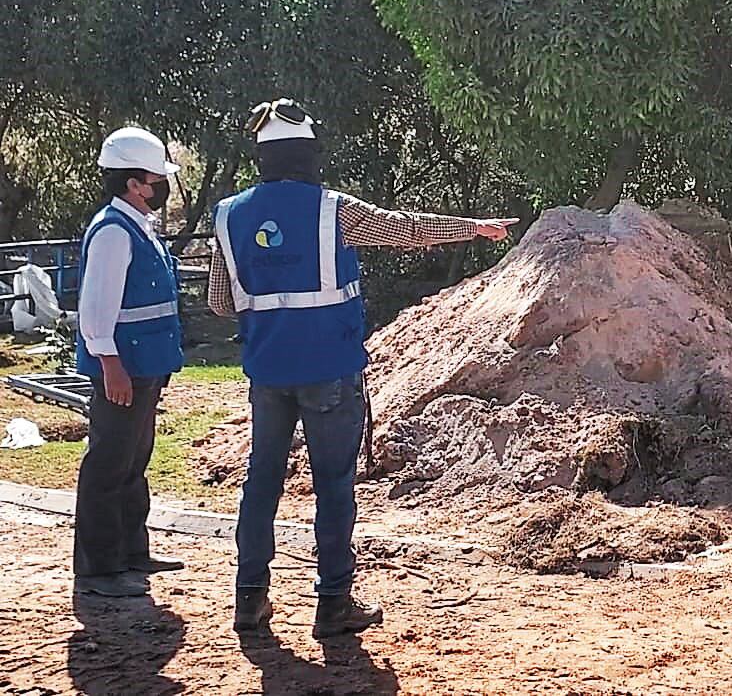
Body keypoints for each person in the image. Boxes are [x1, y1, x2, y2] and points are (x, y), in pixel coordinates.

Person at [210, 99, 516, 638]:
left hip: (267, 372)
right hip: (330, 370)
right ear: (308, 153)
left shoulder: (228, 214)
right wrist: (473, 228)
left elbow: (218, 301)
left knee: (261, 484)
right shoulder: (332, 210)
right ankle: (332, 605)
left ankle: (249, 599)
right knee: (332, 487)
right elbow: (405, 231)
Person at [73, 127, 187, 597]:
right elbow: (96, 309)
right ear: (135, 183)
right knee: (109, 463)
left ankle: (131, 552)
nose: (162, 186)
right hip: (124, 368)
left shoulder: (138, 226)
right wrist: (110, 364)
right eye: (156, 178)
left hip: (146, 365)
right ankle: (99, 568)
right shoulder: (113, 233)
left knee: (134, 460)